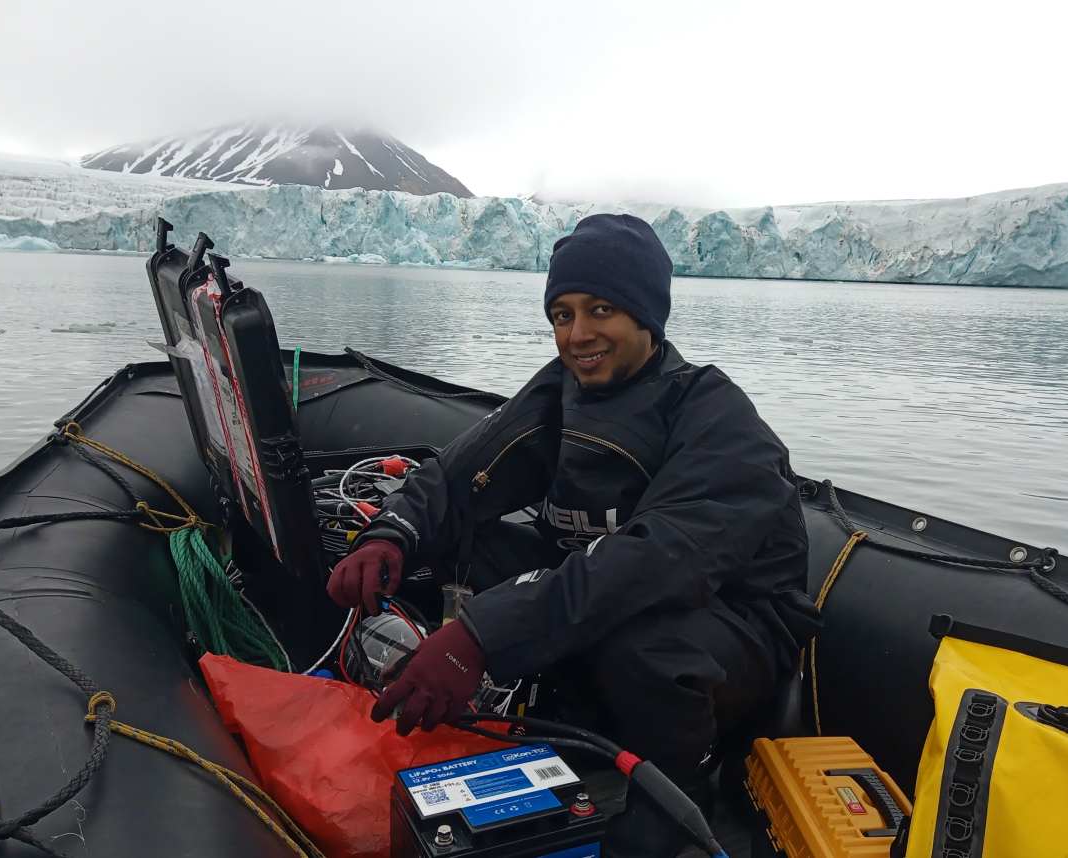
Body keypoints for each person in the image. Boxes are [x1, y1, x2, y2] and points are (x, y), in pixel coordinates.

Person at [327, 213, 819, 855]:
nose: (577, 335)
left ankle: (679, 804)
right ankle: (546, 713)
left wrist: (479, 636)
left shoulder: (716, 416)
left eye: (601, 310)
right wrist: (392, 535)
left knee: (641, 646)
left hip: (734, 620)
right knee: (460, 548)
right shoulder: (563, 392)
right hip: (607, 581)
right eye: (561, 314)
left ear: (647, 314)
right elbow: (459, 476)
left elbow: (657, 562)